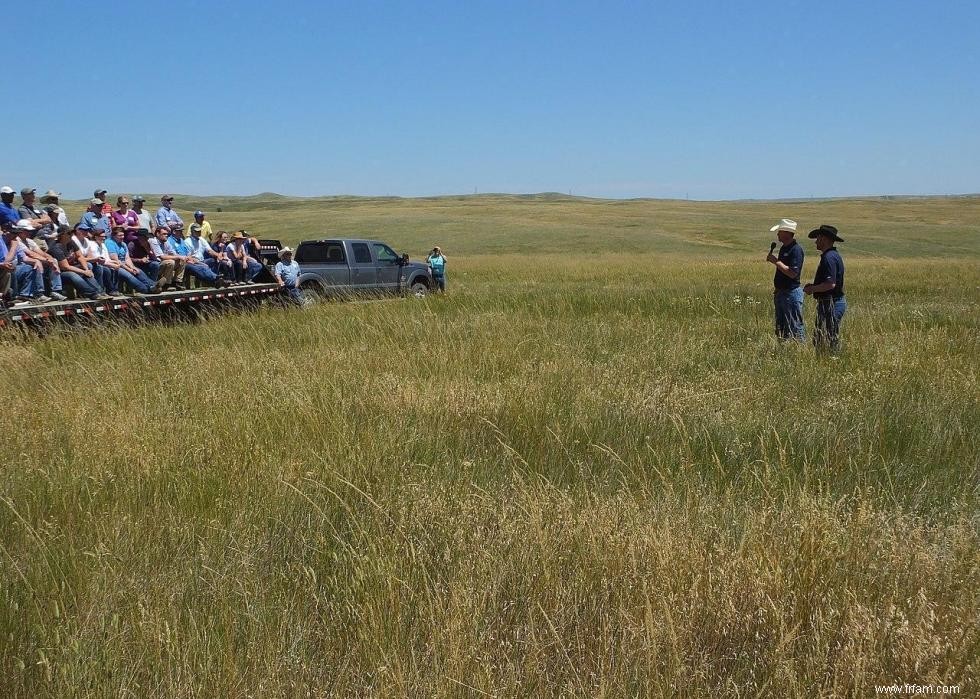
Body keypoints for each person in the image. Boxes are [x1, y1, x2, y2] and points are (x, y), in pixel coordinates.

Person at [804, 224, 847, 354]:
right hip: (829, 302)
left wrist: (812, 289)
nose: (816, 241)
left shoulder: (829, 258)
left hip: (831, 303)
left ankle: (832, 362)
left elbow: (830, 284)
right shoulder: (832, 255)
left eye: (818, 238)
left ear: (824, 239)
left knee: (828, 338)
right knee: (823, 337)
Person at [766, 218, 805, 341]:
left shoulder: (796, 250)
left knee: (795, 326)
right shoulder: (784, 248)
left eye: (779, 231)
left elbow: (793, 273)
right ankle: (784, 350)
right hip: (781, 292)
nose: (777, 234)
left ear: (787, 233)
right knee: (781, 327)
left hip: (791, 293)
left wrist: (776, 261)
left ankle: (799, 351)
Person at [12, 220, 66, 300]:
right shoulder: (17, 240)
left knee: (53, 260)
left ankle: (56, 291)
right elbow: (30, 254)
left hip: (31, 261)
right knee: (37, 264)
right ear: (20, 231)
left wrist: (50, 259)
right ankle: (39, 293)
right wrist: (47, 261)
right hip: (22, 264)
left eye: (30, 230)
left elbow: (42, 253)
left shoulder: (29, 241)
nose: (29, 232)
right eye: (27, 230)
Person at [50, 226, 109, 300]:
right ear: (62, 235)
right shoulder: (56, 248)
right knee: (73, 275)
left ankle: (100, 292)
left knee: (88, 266)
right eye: (69, 233)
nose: (71, 235)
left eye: (72, 233)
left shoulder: (71, 242)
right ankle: (91, 294)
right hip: (60, 272)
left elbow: (80, 256)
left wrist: (86, 269)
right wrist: (84, 272)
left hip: (71, 267)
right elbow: (65, 267)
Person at [106, 228, 155, 295]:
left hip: (124, 264)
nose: (122, 237)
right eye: (120, 235)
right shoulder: (110, 243)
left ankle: (153, 286)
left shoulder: (123, 244)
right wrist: (129, 270)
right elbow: (116, 261)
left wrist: (132, 267)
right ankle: (146, 290)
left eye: (123, 235)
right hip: (116, 265)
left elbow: (127, 258)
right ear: (114, 236)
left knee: (138, 271)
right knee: (129, 275)